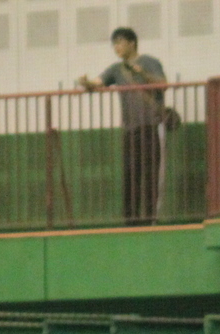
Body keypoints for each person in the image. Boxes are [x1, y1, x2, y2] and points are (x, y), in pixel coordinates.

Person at [76, 26, 168, 226]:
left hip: (151, 126)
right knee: (130, 174)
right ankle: (131, 219)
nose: (116, 47)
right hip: (130, 129)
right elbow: (98, 83)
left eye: (119, 42)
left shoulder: (150, 62)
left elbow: (163, 84)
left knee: (151, 174)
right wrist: (85, 82)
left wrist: (142, 74)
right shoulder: (116, 69)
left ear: (131, 43)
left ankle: (150, 218)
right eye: (114, 44)